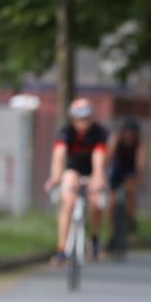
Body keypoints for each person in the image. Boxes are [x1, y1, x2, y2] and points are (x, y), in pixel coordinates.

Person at [44, 99, 109, 264]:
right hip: (72, 170)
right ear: (73, 119)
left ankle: (94, 239)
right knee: (68, 202)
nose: (83, 123)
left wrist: (99, 179)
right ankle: (62, 248)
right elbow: (59, 155)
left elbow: (99, 157)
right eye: (79, 119)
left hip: (92, 170)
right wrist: (55, 178)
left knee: (96, 202)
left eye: (86, 118)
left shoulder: (99, 132)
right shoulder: (66, 132)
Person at [106, 118, 146, 246]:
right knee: (112, 201)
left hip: (130, 170)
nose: (129, 135)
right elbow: (108, 157)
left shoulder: (139, 144)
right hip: (117, 170)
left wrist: (140, 178)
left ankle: (130, 221)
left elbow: (140, 163)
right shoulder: (116, 140)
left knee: (130, 190)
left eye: (132, 133)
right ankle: (113, 231)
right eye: (127, 132)